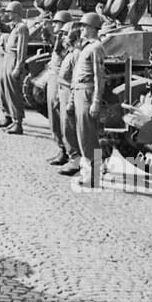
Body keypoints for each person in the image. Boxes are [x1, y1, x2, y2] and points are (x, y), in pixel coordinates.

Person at [71, 12, 106, 181]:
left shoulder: (96, 47)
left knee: (89, 135)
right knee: (82, 134)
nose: (82, 29)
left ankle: (95, 174)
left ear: (93, 28)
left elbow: (100, 76)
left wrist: (96, 102)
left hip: (87, 92)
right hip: (79, 91)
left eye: (85, 26)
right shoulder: (86, 46)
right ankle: (89, 172)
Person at [45, 10, 73, 166]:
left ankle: (67, 151)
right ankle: (61, 148)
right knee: (53, 114)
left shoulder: (67, 41)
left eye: (57, 23)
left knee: (60, 114)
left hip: (60, 80)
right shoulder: (59, 39)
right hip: (53, 76)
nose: (54, 24)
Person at [56, 22, 84, 174]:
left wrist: (71, 101)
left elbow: (75, 79)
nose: (63, 38)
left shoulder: (77, 54)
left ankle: (76, 159)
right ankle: (72, 156)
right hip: (63, 92)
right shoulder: (70, 52)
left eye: (66, 35)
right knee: (65, 126)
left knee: (71, 127)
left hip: (70, 93)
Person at [0, 1, 29, 135]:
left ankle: (18, 122)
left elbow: (22, 49)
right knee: (7, 91)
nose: (7, 14)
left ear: (16, 13)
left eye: (9, 12)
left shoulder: (22, 28)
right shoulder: (14, 27)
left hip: (14, 60)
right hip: (7, 58)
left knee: (14, 92)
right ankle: (11, 117)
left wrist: (18, 66)